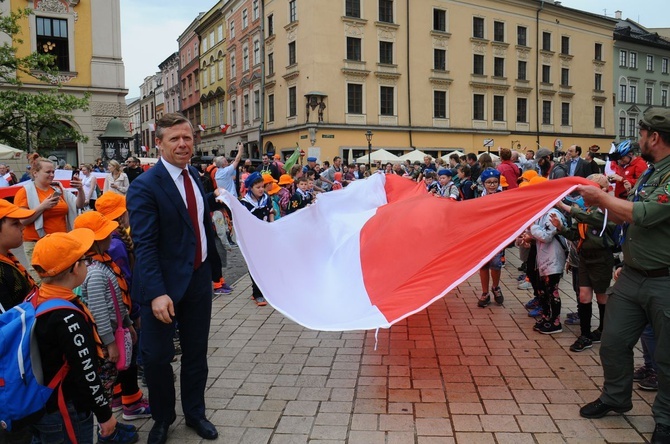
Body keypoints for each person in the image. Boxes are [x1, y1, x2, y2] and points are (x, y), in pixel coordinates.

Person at [575, 109, 670, 443]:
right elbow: (623, 213)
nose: (637, 140)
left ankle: (666, 419)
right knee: (613, 342)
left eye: (640, 133)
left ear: (653, 137)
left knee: (666, 356)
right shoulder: (652, 173)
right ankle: (616, 397)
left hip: (664, 280)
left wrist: (601, 197)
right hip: (632, 275)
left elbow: (645, 214)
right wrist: (580, 206)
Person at [126, 113, 221, 444]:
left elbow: (191, 215)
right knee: (155, 357)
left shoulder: (193, 174)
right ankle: (163, 417)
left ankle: (195, 412)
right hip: (161, 286)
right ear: (159, 143)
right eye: (175, 139)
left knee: (196, 352)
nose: (183, 144)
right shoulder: (144, 187)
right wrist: (156, 293)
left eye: (188, 138)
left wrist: (217, 200)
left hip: (197, 277)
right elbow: (146, 244)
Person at [30, 229, 136, 444]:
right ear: (74, 269)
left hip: (44, 404)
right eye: (83, 260)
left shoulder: (37, 297)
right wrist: (105, 417)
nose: (87, 264)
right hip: (67, 410)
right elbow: (86, 372)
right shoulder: (68, 316)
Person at [551, 174, 615, 351]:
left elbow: (596, 221)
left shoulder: (606, 209)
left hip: (602, 258)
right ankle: (585, 335)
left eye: (593, 188)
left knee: (602, 296)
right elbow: (575, 234)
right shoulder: (584, 210)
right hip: (585, 258)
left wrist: (565, 206)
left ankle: (603, 329)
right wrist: (561, 228)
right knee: (583, 296)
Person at [14, 154, 86, 282]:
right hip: (37, 244)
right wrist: (42, 207)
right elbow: (23, 220)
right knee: (44, 284)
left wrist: (80, 189)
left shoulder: (58, 189)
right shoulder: (24, 192)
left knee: (63, 281)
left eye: (53, 171)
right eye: (48, 172)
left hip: (60, 243)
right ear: (35, 173)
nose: (52, 175)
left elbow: (79, 205)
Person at [239, 172, 274, 306]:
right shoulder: (244, 203)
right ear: (250, 188)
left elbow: (270, 212)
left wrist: (272, 225)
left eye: (262, 186)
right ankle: (257, 293)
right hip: (252, 238)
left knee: (265, 263)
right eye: (258, 187)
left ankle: (264, 289)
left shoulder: (266, 198)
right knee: (254, 264)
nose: (261, 189)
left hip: (265, 236)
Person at [476, 168, 504, 307]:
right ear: (484, 183)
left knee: (496, 264)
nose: (492, 185)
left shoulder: (504, 197)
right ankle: (485, 292)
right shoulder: (479, 198)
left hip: (498, 236)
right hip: (483, 236)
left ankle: (496, 287)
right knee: (483, 265)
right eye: (489, 182)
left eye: (495, 182)